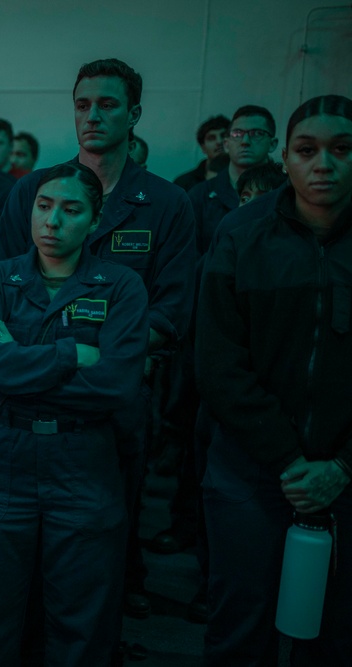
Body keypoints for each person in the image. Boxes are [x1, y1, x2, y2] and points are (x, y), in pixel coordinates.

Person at [0, 57, 197, 623]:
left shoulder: (166, 204)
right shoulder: (33, 191)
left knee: (104, 538)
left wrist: (110, 361)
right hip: (27, 396)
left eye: (107, 104)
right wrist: (49, 359)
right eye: (83, 104)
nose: (93, 115)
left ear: (134, 114)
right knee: (20, 541)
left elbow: (174, 306)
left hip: (118, 402)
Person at [0, 162, 149, 665]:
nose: (53, 221)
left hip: (84, 461)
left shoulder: (121, 286)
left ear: (95, 217)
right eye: (44, 206)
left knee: (82, 619)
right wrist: (69, 356)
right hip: (4, 456)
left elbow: (115, 384)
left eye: (70, 209)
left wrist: (15, 355)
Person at [196, 94, 352, 667]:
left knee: (336, 635)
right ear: (285, 158)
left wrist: (341, 467)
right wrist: (289, 458)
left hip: (346, 477)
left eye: (342, 149)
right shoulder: (241, 234)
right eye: (308, 151)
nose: (324, 164)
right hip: (250, 474)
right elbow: (216, 362)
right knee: (241, 627)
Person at [190, 105, 278, 254]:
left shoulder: (286, 193)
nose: (245, 141)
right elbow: (188, 261)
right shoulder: (199, 196)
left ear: (273, 143)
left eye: (256, 133)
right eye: (237, 134)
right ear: (226, 143)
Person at [174, 115, 230, 192]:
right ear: (203, 147)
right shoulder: (184, 183)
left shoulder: (247, 178)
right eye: (211, 138)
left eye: (224, 136)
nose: (219, 142)